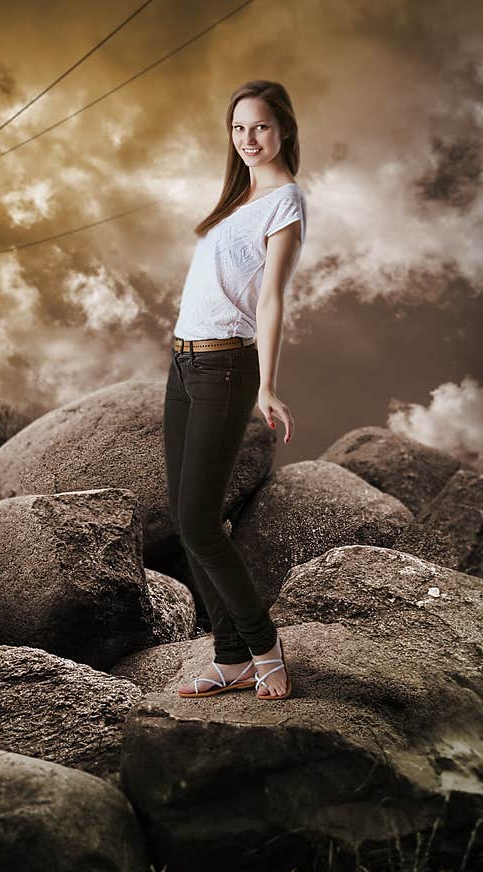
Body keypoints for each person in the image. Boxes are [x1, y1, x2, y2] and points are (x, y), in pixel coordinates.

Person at [163, 80, 307, 700]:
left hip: (227, 368)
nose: (248, 140)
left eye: (261, 128)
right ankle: (230, 658)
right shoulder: (237, 197)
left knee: (197, 522)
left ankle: (263, 645)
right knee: (186, 516)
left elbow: (272, 298)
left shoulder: (286, 202)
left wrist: (267, 384)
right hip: (183, 364)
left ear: (284, 132)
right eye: (238, 129)